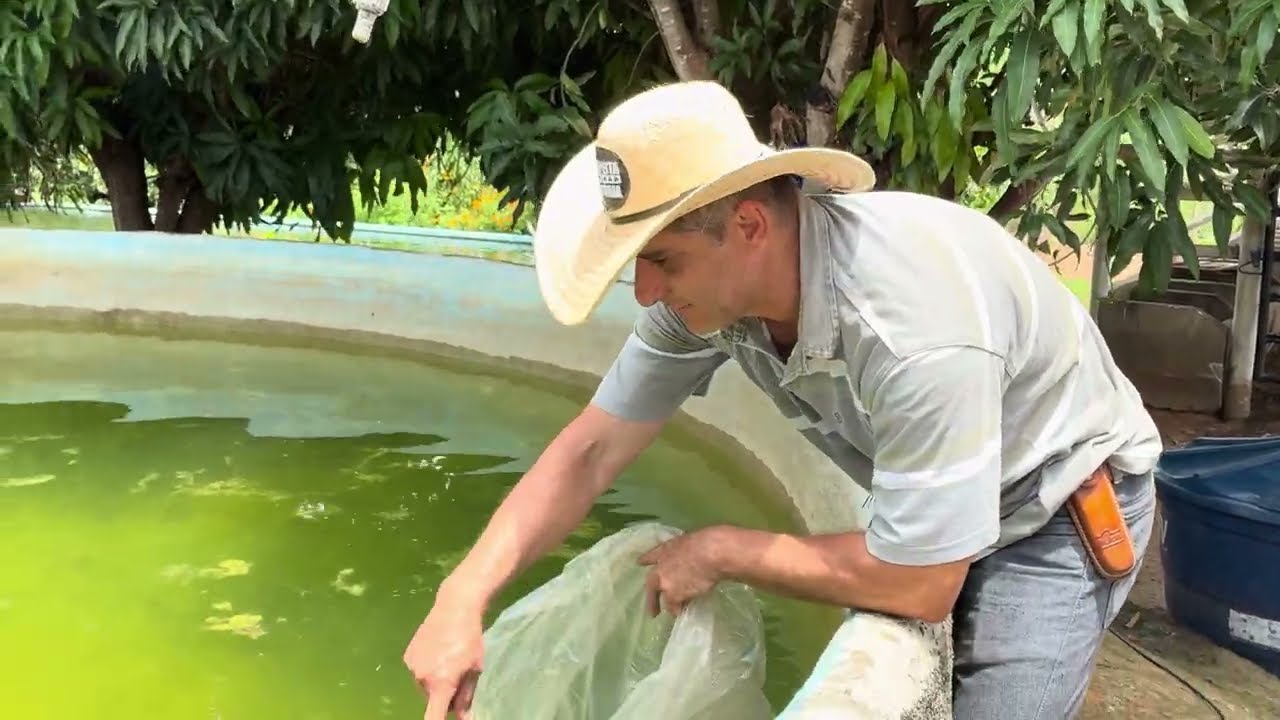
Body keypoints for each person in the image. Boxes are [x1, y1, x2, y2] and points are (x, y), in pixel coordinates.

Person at [402, 80, 1164, 719]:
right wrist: (460, 597)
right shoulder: (712, 299)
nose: (645, 294)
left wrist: (721, 549)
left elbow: (921, 583)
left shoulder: (910, 331)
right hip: (957, 481)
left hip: (1054, 506)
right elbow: (594, 446)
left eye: (661, 261)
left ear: (749, 225)